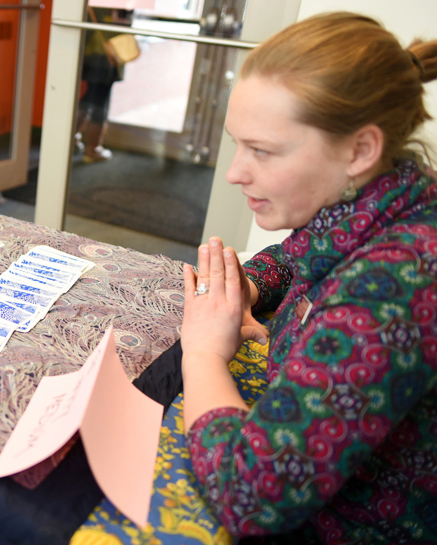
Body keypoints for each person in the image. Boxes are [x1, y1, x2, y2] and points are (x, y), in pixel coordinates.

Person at [179, 12, 437, 544]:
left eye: (263, 151)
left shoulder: (394, 286)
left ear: (359, 150)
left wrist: (202, 352)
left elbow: (248, 494)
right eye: (237, 144)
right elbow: (304, 253)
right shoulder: (391, 197)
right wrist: (247, 287)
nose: (235, 172)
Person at [75, 8, 132, 164]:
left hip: (90, 55)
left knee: (87, 100)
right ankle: (92, 149)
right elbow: (117, 29)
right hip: (104, 58)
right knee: (99, 104)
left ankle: (72, 141)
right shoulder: (114, 6)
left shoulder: (94, 5)